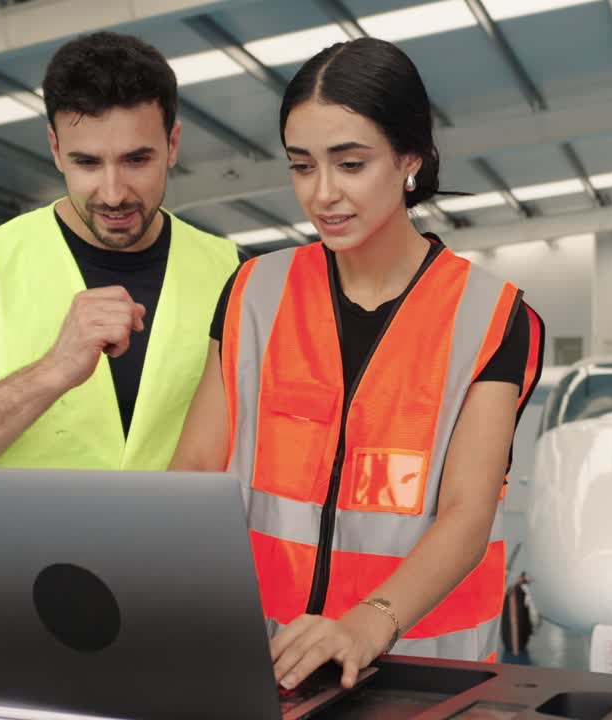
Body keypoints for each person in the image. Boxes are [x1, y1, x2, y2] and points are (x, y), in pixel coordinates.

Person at [169, 38, 545, 690]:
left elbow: (466, 510)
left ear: (409, 158)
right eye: (301, 166)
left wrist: (368, 623)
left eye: (349, 164)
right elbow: (195, 472)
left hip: (422, 673)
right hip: (269, 663)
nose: (322, 195)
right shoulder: (253, 293)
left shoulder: (492, 316)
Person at [0, 32, 238, 495]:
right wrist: (53, 371)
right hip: (24, 568)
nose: (113, 192)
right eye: (87, 162)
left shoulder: (236, 275)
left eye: (137, 159)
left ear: (173, 143)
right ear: (55, 148)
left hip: (181, 566)